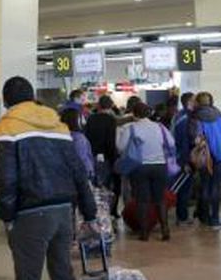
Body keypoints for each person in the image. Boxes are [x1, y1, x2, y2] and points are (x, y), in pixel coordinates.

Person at [0, 76, 101, 280]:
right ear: (33, 97)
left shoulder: (7, 128)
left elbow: (6, 180)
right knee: (64, 277)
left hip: (30, 214)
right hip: (62, 210)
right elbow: (78, 172)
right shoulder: (58, 126)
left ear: (6, 100)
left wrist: (7, 216)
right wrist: (89, 213)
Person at [124, 102, 175, 241]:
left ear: (134, 114)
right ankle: (165, 229)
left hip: (140, 166)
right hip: (159, 165)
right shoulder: (160, 127)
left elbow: (120, 146)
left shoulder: (131, 128)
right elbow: (171, 143)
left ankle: (144, 232)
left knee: (142, 200)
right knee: (160, 199)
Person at [192, 92, 221, 227]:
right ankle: (215, 217)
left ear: (197, 102)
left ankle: (205, 216)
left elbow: (196, 138)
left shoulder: (196, 117)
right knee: (216, 186)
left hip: (205, 156)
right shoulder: (218, 115)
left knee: (205, 186)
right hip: (220, 154)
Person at [84, 95, 119, 213]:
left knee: (95, 186)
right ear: (110, 106)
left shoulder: (91, 118)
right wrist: (114, 158)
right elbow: (111, 141)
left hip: (93, 156)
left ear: (99, 105)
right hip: (107, 157)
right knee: (107, 185)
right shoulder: (111, 120)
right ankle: (108, 212)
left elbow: (86, 137)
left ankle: (96, 211)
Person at [173, 95, 196, 225]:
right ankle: (182, 217)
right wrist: (185, 161)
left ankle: (182, 216)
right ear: (189, 102)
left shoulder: (180, 116)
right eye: (194, 100)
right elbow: (182, 142)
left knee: (183, 188)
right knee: (184, 188)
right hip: (184, 158)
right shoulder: (185, 118)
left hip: (181, 157)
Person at [61, 108, 94, 180]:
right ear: (76, 120)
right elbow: (82, 158)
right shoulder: (78, 138)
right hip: (81, 175)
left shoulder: (61, 135)